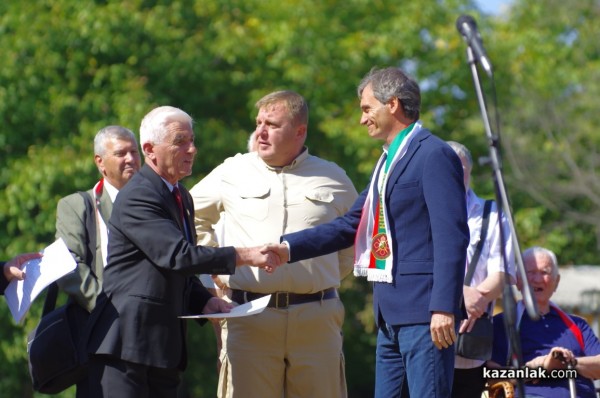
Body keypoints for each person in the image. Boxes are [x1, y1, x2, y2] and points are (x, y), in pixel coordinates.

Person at [268, 67, 469, 397]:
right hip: (389, 314)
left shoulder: (433, 154)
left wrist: (444, 306)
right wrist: (286, 248)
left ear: (392, 105)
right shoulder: (388, 161)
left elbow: (452, 236)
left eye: (366, 108)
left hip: (425, 314)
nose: (362, 119)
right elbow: (351, 225)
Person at [86, 106, 280, 398]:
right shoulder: (139, 195)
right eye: (180, 142)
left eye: (192, 140)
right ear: (150, 149)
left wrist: (204, 301)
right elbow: (178, 256)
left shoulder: (180, 194)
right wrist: (247, 255)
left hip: (163, 349)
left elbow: (176, 271)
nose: (192, 149)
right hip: (127, 347)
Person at [190, 90, 358, 398]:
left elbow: (356, 237)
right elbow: (190, 216)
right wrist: (214, 268)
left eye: (272, 124)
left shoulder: (333, 177)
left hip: (317, 320)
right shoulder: (232, 171)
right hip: (248, 317)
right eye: (258, 123)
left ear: (299, 131)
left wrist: (319, 278)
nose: (260, 132)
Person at [55, 125, 141, 397]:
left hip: (154, 341)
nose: (130, 158)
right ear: (100, 162)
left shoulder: (157, 203)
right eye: (121, 153)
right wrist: (110, 314)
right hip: (104, 338)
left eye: (134, 151)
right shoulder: (77, 205)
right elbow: (69, 267)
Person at [446, 141, 516, 398]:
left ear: (470, 172)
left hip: (471, 344)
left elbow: (504, 272)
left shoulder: (493, 214)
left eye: (459, 168)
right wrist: (458, 294)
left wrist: (474, 300)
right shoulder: (420, 210)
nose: (453, 174)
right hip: (427, 336)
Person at [489, 246, 600, 397]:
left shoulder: (577, 324)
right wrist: (539, 368)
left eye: (544, 272)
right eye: (530, 273)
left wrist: (568, 363)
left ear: (556, 281)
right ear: (518, 280)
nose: (537, 279)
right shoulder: (502, 324)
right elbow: (489, 375)